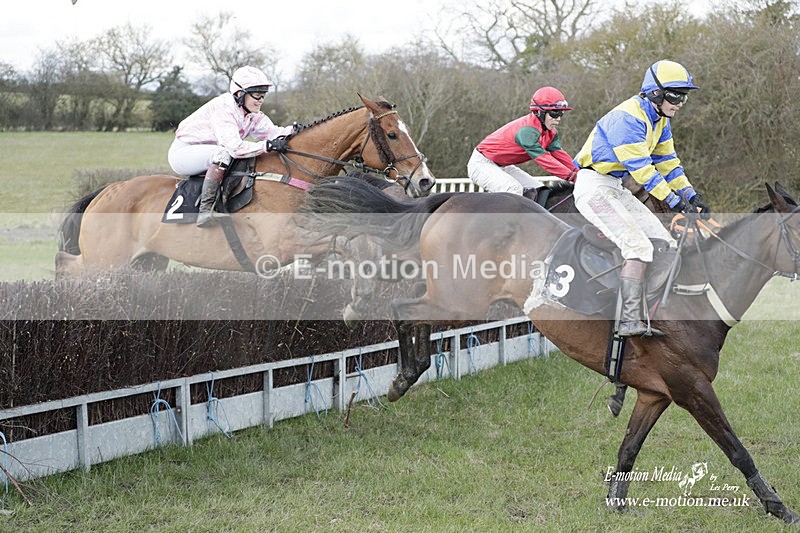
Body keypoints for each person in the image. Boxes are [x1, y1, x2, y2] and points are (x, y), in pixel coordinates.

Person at [573, 59, 711, 337]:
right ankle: (627, 321)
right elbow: (644, 172)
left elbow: (669, 163)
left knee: (665, 242)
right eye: (675, 95)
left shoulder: (660, 120)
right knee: (637, 246)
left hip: (615, 187)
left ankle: (652, 310)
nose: (681, 102)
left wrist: (690, 194)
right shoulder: (627, 118)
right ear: (655, 93)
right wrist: (675, 203)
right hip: (593, 187)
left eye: (684, 96)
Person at [168, 65, 295, 227]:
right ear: (240, 94)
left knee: (228, 155)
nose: (261, 100)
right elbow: (235, 149)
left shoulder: (251, 114)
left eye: (263, 95)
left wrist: (297, 130)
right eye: (257, 95)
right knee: (223, 154)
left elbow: (273, 132)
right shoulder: (224, 108)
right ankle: (206, 210)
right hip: (184, 153)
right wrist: (266, 146)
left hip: (209, 153)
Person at [468, 86, 578, 201]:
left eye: (561, 113)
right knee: (513, 190)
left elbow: (560, 155)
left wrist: (579, 173)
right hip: (481, 164)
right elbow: (545, 160)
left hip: (503, 166)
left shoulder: (550, 132)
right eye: (554, 113)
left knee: (539, 191)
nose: (558, 118)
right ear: (540, 112)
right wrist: (572, 177)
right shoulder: (527, 131)